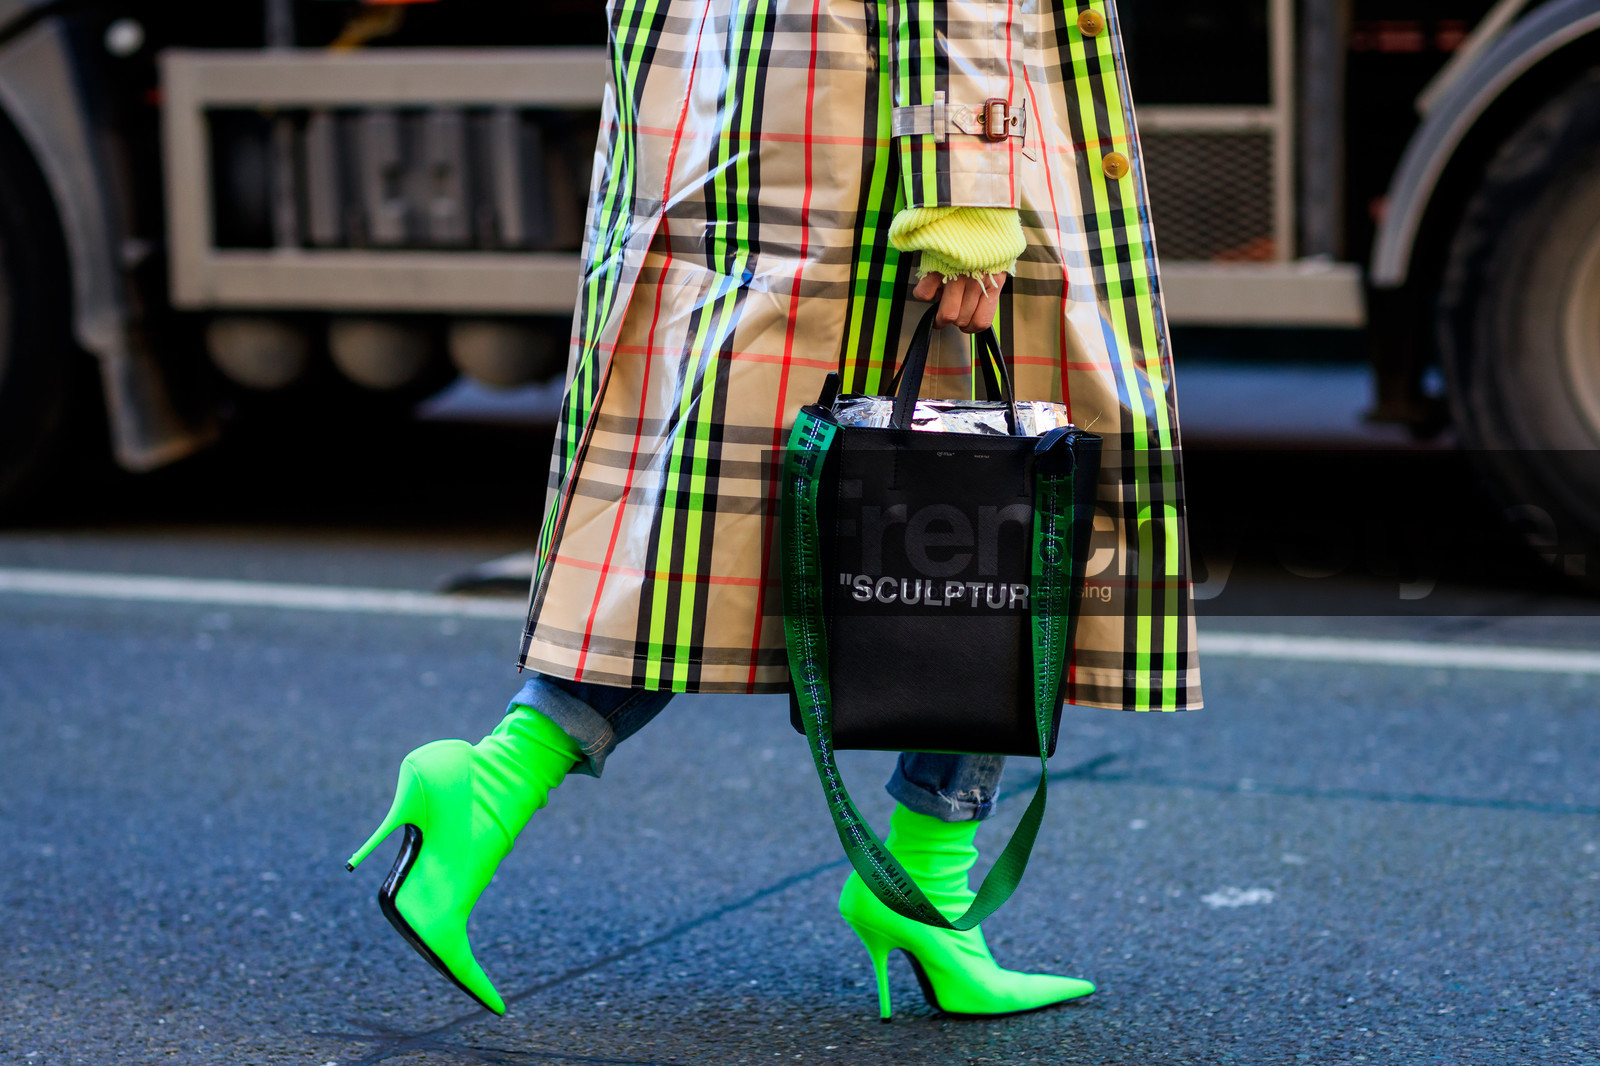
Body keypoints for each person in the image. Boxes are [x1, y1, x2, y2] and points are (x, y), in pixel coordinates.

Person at [348, 0, 1200, 1020]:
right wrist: (971, 195)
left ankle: (482, 795)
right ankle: (925, 881)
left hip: (779, 113)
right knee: (1004, 508)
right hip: (904, 138)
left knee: (710, 536)